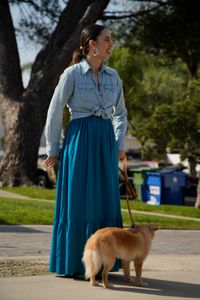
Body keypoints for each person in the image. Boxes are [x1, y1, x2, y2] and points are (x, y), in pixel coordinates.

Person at [44, 24, 128, 277]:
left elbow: (121, 114)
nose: (110, 44)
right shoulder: (71, 74)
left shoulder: (114, 77)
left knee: (104, 198)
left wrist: (119, 145)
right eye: (107, 39)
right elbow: (55, 110)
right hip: (79, 141)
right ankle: (73, 263)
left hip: (105, 143)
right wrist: (53, 149)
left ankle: (105, 263)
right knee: (79, 200)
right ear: (92, 44)